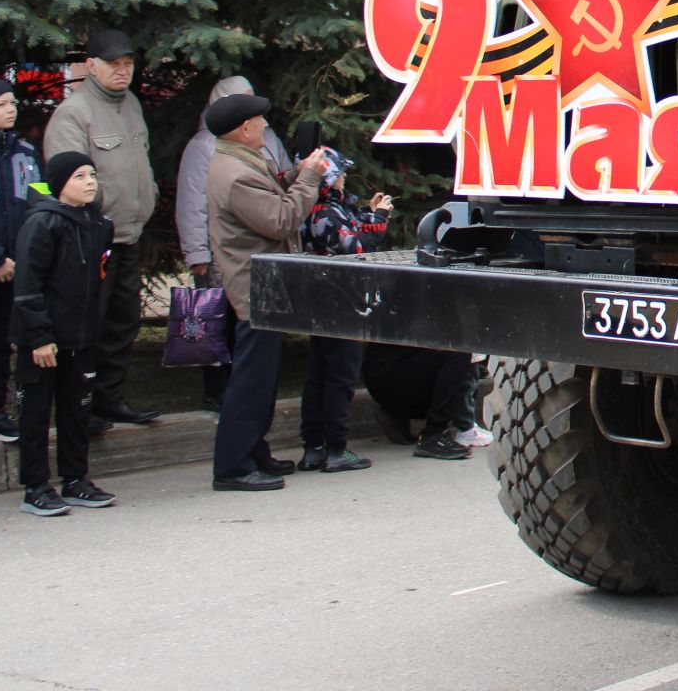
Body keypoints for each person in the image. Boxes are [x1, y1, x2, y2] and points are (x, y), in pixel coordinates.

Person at [205, 94, 325, 491]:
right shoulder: (234, 173)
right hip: (256, 284)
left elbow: (271, 195)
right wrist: (309, 179)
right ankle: (233, 466)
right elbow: (279, 219)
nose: (264, 128)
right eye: (260, 122)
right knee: (251, 380)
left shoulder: (241, 161)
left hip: (263, 281)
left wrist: (296, 174)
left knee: (263, 376)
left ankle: (254, 451)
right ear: (243, 129)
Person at [42, 29, 160, 427]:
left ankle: (111, 398)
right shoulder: (73, 113)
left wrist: (151, 194)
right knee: (87, 324)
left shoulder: (131, 105)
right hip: (90, 240)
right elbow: (66, 181)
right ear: (90, 65)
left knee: (123, 323)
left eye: (128, 64)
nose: (122, 71)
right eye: (113, 64)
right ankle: (81, 405)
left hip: (130, 235)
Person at [10, 153, 117, 515]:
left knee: (76, 412)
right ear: (60, 185)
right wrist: (39, 337)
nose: (89, 182)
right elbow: (28, 286)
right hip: (43, 341)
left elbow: (98, 278)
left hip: (81, 337)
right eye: (79, 176)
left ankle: (75, 480)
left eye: (92, 175)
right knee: (36, 414)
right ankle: (35, 487)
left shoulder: (100, 224)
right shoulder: (43, 224)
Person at [175, 76, 289, 412]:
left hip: (256, 251)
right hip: (220, 253)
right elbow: (192, 202)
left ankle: (241, 392)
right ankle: (217, 389)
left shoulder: (265, 138)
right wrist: (196, 251)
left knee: (245, 329)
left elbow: (279, 180)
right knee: (215, 323)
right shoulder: (205, 147)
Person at [295, 147, 390, 474]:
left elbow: (352, 228)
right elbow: (355, 247)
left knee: (320, 374)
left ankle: (314, 447)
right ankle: (335, 447)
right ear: (329, 180)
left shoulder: (326, 208)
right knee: (339, 375)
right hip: (339, 303)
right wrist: (377, 222)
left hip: (324, 302)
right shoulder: (323, 213)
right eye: (340, 174)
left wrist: (376, 214)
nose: (345, 178)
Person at [0, 76, 43, 444]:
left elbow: (38, 202)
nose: (10, 110)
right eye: (1, 105)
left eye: (12, 103)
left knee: (9, 339)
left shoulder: (24, 153)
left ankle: (5, 409)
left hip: (21, 264)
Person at [361, 343, 480, 460]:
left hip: (383, 377)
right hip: (390, 378)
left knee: (455, 354)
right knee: (459, 353)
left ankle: (397, 414)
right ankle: (434, 434)